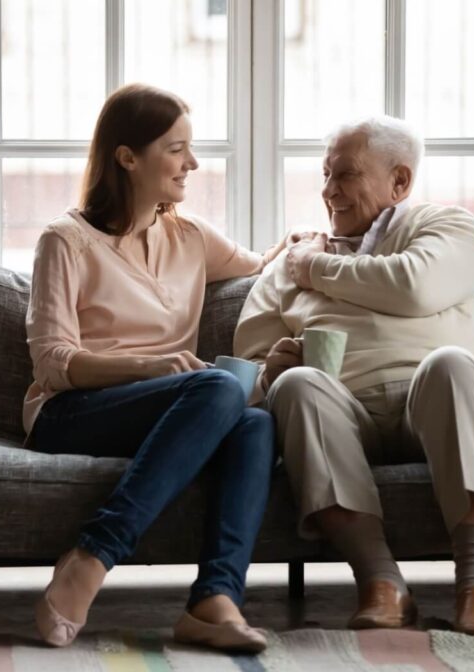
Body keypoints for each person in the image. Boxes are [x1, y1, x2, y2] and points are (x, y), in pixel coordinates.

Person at [23, 83, 301, 653]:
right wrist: (150, 367)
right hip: (70, 413)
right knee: (219, 390)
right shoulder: (66, 241)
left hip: (173, 407)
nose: (191, 163)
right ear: (128, 157)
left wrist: (306, 249)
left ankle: (214, 599)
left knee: (254, 421)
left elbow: (262, 264)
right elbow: (52, 364)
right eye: (176, 149)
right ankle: (93, 558)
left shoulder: (191, 237)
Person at [234, 115, 474, 640]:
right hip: (342, 412)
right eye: (325, 175)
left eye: (346, 175)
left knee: (452, 363)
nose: (329, 191)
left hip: (429, 402)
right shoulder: (286, 266)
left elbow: (413, 288)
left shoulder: (445, 227)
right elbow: (245, 363)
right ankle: (380, 583)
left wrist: (313, 268)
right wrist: (271, 370)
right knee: (297, 385)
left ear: (399, 182)